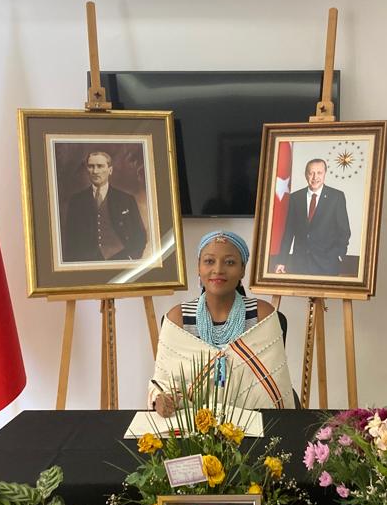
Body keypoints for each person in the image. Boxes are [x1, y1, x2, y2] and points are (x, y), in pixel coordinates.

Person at [148, 231, 294, 415]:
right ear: (198, 267)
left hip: (252, 424)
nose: (218, 269)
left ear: (242, 270)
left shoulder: (262, 315)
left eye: (230, 262)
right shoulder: (178, 318)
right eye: (209, 261)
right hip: (192, 428)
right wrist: (162, 399)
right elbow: (162, 383)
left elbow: (274, 389)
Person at [62, 150, 147, 262]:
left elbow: (139, 234)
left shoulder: (126, 199)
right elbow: (70, 239)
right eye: (91, 166)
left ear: (110, 170)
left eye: (100, 166)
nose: (95, 171)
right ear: (87, 170)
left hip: (120, 259)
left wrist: (131, 257)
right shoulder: (76, 201)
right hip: (87, 262)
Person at [274, 158, 350, 276]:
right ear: (306, 175)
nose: (315, 177)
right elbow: (289, 232)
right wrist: (281, 261)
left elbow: (344, 230)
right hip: (300, 263)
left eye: (319, 173)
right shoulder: (295, 198)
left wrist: (339, 254)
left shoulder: (336, 197)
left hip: (327, 264)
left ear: (325, 173)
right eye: (311, 173)